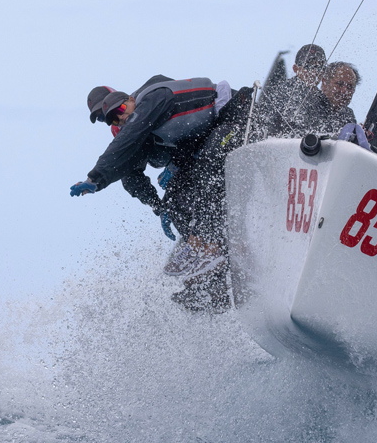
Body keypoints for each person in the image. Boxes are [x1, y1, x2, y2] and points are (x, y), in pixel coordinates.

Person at [72, 76, 254, 299]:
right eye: (106, 118)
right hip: (202, 141)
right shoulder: (129, 127)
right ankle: (213, 278)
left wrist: (95, 177)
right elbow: (130, 173)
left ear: (128, 98)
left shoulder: (149, 99)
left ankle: (209, 249)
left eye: (118, 109)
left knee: (205, 172)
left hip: (234, 115)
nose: (118, 118)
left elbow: (183, 105)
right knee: (174, 200)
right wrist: (159, 206)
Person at [256, 44, 327, 138]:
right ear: (295, 69)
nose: (315, 72)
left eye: (320, 67)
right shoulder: (282, 93)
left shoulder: (323, 99)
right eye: (308, 66)